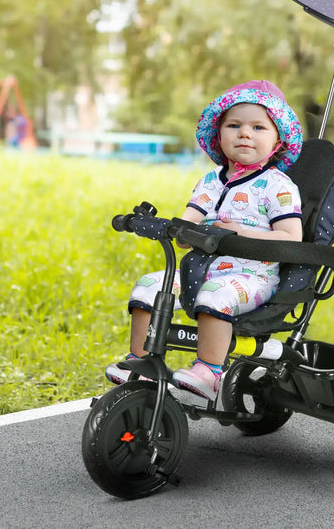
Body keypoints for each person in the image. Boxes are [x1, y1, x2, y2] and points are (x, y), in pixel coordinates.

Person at [105, 80, 304, 400]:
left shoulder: (277, 185)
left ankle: (210, 371)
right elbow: (188, 225)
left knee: (216, 296)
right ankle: (140, 362)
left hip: (252, 273)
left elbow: (292, 239)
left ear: (278, 141)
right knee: (148, 285)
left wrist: (240, 232)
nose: (245, 133)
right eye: (234, 125)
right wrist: (168, 227)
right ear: (220, 134)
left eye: (258, 127)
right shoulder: (210, 182)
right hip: (201, 268)